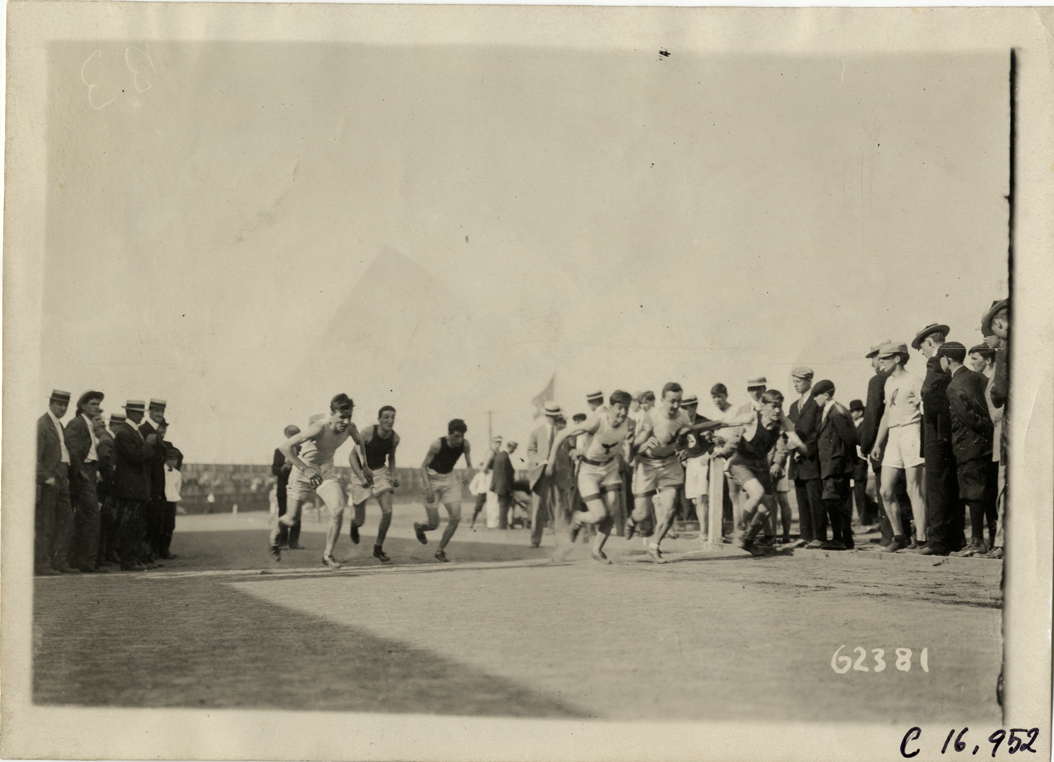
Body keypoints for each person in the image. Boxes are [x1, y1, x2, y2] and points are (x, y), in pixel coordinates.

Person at [270, 393, 371, 569]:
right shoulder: (318, 428)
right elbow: (285, 447)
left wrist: (365, 466)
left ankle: (327, 555)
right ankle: (276, 530)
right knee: (291, 519)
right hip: (303, 471)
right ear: (332, 413)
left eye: (348, 417)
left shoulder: (350, 428)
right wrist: (305, 469)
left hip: (325, 471)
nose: (345, 422)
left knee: (338, 509)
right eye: (342, 417)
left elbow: (359, 442)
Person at [717, 390, 808, 555]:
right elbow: (731, 434)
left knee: (767, 507)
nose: (777, 411)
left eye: (780, 406)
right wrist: (722, 453)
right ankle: (739, 530)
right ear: (763, 406)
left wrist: (798, 446)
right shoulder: (751, 418)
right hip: (741, 463)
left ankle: (749, 541)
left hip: (761, 466)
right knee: (757, 493)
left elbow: (798, 443)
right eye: (773, 407)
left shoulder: (783, 422)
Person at [548, 390, 635, 563]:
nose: (623, 413)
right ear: (611, 407)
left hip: (610, 468)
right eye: (619, 408)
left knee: (612, 511)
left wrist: (631, 446)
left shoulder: (630, 424)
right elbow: (561, 434)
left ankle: (597, 551)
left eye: (626, 408)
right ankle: (579, 518)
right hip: (589, 471)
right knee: (598, 515)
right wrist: (550, 461)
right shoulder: (596, 422)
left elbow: (628, 458)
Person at [940, 342, 997, 557]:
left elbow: (969, 417)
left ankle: (976, 542)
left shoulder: (954, 385)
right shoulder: (979, 377)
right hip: (988, 447)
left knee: (973, 494)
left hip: (969, 446)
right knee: (990, 494)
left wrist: (986, 430)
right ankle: (993, 541)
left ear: (947, 360)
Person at [870, 342, 927, 553]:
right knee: (885, 490)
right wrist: (877, 443)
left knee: (914, 489)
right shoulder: (888, 383)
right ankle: (899, 536)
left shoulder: (914, 381)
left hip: (912, 432)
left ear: (897, 358)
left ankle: (921, 539)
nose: (880, 362)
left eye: (885, 358)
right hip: (893, 435)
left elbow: (926, 410)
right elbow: (887, 414)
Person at [913, 323, 962, 556]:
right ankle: (954, 539)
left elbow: (928, 393)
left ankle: (938, 541)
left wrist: (929, 413)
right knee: (951, 485)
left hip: (937, 432)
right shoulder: (952, 360)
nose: (920, 351)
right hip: (953, 432)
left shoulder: (935, 361)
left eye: (921, 346)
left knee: (936, 486)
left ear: (930, 342)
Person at [630, 383, 693, 563]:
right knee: (641, 513)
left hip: (670, 463)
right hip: (648, 463)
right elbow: (637, 445)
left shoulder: (684, 417)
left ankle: (654, 546)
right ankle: (631, 521)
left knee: (670, 508)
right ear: (662, 399)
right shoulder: (651, 417)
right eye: (671, 401)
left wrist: (683, 449)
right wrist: (641, 447)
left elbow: (685, 441)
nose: (675, 406)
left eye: (679, 401)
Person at [414, 419, 473, 562]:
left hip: (449, 479)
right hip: (432, 480)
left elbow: (470, 465)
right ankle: (420, 528)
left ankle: (439, 551)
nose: (459, 440)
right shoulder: (437, 445)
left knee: (456, 518)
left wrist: (467, 474)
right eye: (456, 436)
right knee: (434, 525)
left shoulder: (465, 445)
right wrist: (427, 488)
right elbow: (423, 467)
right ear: (450, 434)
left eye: (462, 436)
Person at [348, 406, 401, 563]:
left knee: (387, 511)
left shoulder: (395, 438)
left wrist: (393, 475)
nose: (389, 420)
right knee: (360, 520)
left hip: (379, 472)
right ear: (378, 419)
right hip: (361, 472)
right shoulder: (367, 432)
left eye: (392, 417)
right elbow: (352, 457)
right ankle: (354, 525)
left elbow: (391, 458)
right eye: (386, 417)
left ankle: (378, 548)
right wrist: (361, 476)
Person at [811, 381, 859, 550]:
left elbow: (850, 437)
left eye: (817, 395)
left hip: (836, 464)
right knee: (841, 501)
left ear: (826, 394)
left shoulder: (836, 411)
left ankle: (839, 538)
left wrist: (851, 462)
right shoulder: (830, 411)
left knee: (831, 499)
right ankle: (846, 539)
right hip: (833, 464)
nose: (815, 399)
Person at [63, 390, 107, 572]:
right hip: (82, 475)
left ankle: (82, 561)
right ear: (83, 406)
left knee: (84, 519)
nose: (96, 407)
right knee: (92, 518)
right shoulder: (76, 423)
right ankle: (87, 563)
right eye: (93, 404)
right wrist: (80, 471)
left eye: (98, 404)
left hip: (89, 472)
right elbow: (71, 448)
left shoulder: (89, 425)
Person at [112, 400, 156, 571]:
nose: (143, 415)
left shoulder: (132, 431)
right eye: (139, 413)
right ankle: (128, 561)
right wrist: (148, 444)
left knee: (137, 526)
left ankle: (134, 559)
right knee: (131, 526)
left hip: (136, 488)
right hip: (130, 489)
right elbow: (135, 457)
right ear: (131, 413)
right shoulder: (125, 433)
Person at [36, 390, 76, 575]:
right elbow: (34, 458)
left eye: (65, 405)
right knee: (47, 523)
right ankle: (43, 564)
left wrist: (64, 476)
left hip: (62, 479)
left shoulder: (59, 425)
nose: (62, 408)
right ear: (50, 403)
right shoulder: (42, 425)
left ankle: (59, 561)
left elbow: (63, 453)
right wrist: (47, 477)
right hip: (50, 482)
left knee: (66, 521)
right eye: (59, 404)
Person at [787, 368, 826, 549]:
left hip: (811, 457)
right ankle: (805, 535)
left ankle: (819, 536)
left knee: (815, 498)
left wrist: (804, 447)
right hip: (796, 460)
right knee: (801, 497)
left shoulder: (817, 402)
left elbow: (819, 430)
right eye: (794, 382)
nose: (795, 385)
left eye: (799, 381)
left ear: (809, 380)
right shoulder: (794, 406)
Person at [526, 402, 562, 548]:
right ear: (546, 415)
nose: (554, 418)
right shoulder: (536, 432)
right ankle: (535, 540)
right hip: (540, 474)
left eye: (556, 415)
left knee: (558, 508)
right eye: (551, 416)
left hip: (558, 474)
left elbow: (568, 450)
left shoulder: (563, 432)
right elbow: (530, 452)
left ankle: (559, 542)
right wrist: (543, 462)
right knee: (538, 508)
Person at [848, 399, 880, 527]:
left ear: (860, 412)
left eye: (853, 411)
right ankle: (865, 518)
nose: (851, 414)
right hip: (857, 463)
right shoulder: (856, 425)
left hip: (862, 462)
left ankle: (866, 519)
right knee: (860, 492)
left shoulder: (863, 426)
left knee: (863, 492)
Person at [271, 425, 302, 550]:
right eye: (291, 435)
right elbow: (274, 469)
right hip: (283, 488)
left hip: (297, 486)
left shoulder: (301, 450)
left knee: (296, 515)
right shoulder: (280, 450)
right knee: (283, 513)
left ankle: (293, 542)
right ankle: (282, 542)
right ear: (287, 436)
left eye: (296, 434)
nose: (294, 437)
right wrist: (284, 467)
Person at [483, 439, 517, 530]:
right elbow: (504, 475)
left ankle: (499, 524)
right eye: (514, 449)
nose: (514, 451)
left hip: (498, 485)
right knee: (503, 506)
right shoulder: (504, 457)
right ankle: (502, 525)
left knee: (499, 506)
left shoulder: (499, 455)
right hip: (503, 486)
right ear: (511, 447)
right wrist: (509, 489)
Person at [163, 446, 183, 557]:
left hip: (171, 501)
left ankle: (166, 549)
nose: (173, 462)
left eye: (175, 459)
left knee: (170, 525)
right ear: (166, 459)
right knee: (160, 525)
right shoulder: (161, 470)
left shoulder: (177, 474)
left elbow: (177, 489)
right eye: (170, 459)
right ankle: (157, 550)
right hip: (162, 501)